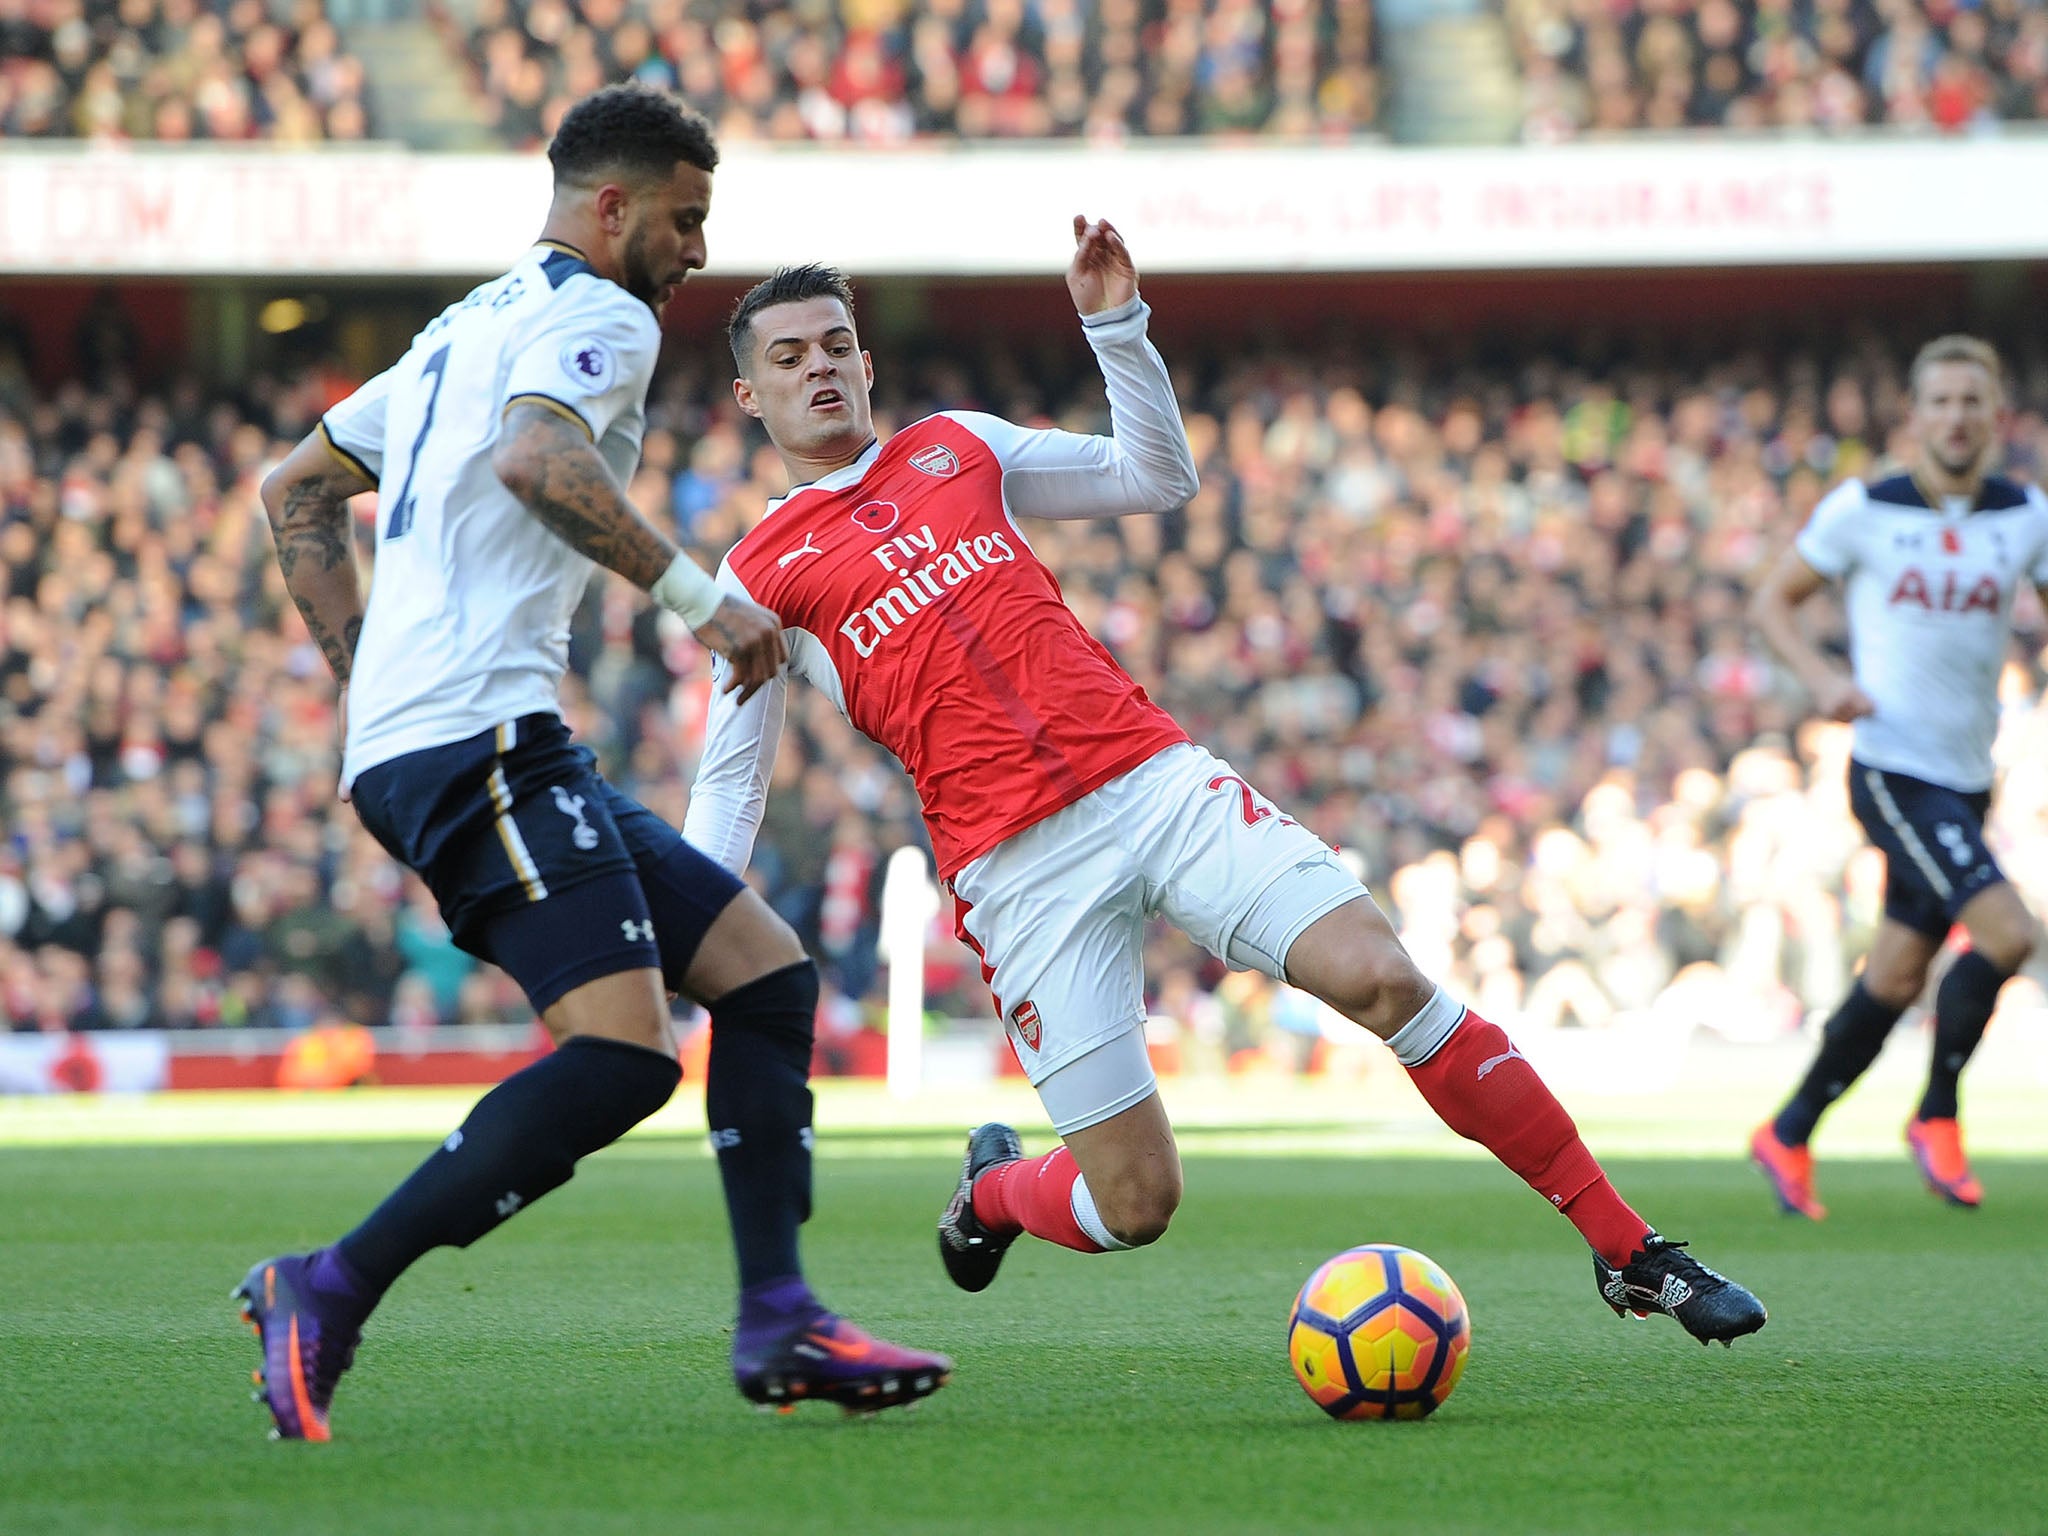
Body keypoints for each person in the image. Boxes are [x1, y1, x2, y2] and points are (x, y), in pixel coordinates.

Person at [684, 218, 1768, 1347]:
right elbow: (729, 784)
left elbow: (1154, 475)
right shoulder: (756, 572)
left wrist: (1116, 326)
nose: (818, 367)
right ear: (750, 395)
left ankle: (1630, 1250)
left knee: (1382, 978)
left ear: (867, 363)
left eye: (834, 345)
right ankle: (994, 1194)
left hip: (1151, 778)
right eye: (788, 356)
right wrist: (695, 931)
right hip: (1014, 869)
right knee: (1135, 1204)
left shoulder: (957, 447)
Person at [236, 84, 949, 1442]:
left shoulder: (468, 324)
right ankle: (323, 1288)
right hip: (479, 744)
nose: (694, 252)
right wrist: (701, 599)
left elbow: (298, 492)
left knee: (766, 976)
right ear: (610, 205)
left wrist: (367, 686)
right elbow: (534, 459)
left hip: (464, 735)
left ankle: (780, 1318)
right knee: (622, 1059)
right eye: (683, 220)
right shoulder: (598, 316)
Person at [1748, 335, 2047, 1219]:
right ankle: (1938, 1115)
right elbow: (1773, 600)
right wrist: (1823, 678)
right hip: (1891, 769)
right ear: (1915, 418)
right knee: (2008, 934)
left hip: (1965, 777)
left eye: (1972, 401)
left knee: (1894, 977)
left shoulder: (2025, 515)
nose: (1956, 416)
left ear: (1996, 417)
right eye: (1941, 401)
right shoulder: (1864, 509)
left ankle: (1790, 1130)